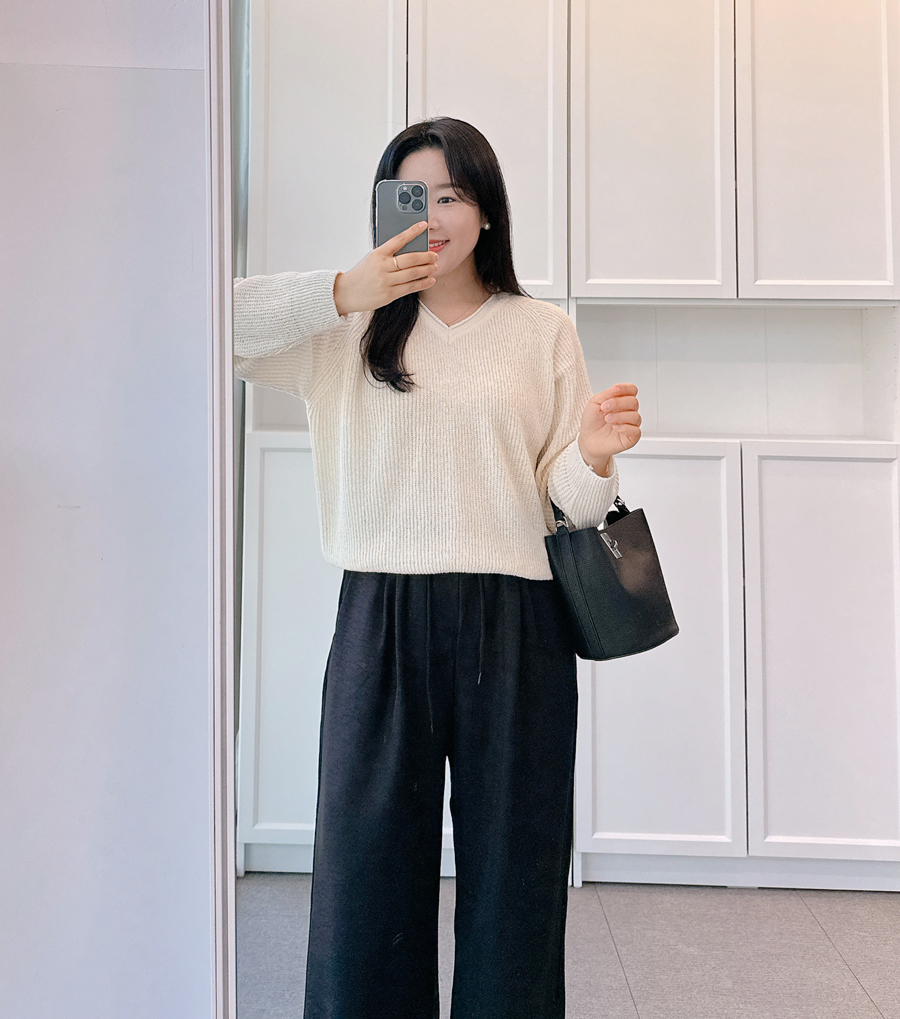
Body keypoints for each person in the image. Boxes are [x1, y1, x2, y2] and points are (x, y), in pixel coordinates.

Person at [232, 117, 642, 1019]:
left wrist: (594, 455)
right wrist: (343, 289)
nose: (435, 215)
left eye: (452, 195)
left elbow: (565, 502)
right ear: (386, 208)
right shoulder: (345, 328)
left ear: (487, 210)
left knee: (516, 874)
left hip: (518, 622)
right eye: (413, 196)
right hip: (380, 620)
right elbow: (206, 321)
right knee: (364, 877)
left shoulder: (542, 331)